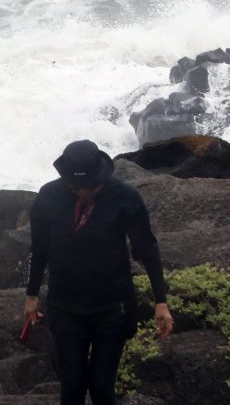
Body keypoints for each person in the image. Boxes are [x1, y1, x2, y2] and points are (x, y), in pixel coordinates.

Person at [24, 140, 174, 405]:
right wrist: (31, 295)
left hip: (112, 307)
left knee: (102, 386)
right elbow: (40, 249)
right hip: (65, 305)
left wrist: (160, 301)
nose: (83, 192)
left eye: (90, 186)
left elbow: (147, 249)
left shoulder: (124, 196)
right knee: (72, 387)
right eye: (75, 187)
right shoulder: (48, 197)